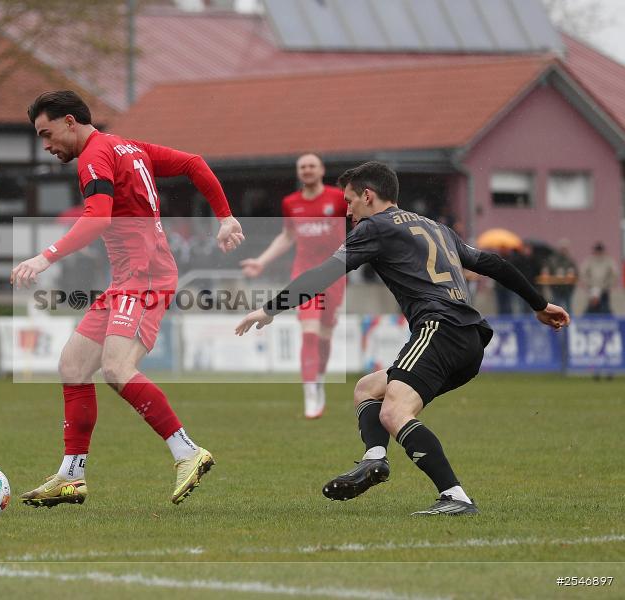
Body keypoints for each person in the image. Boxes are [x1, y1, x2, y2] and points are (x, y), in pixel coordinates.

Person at [235, 162, 569, 516]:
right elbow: (492, 263)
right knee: (368, 388)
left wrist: (270, 309)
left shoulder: (374, 227)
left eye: (350, 202)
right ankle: (374, 460)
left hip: (440, 328)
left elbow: (324, 273)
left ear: (368, 195)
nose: (346, 211)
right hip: (468, 338)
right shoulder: (435, 226)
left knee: (395, 411)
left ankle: (455, 496)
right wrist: (540, 304)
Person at [11, 90, 244, 507]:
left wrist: (45, 257)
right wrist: (224, 215)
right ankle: (72, 476)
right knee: (74, 365)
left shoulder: (94, 157)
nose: (46, 146)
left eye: (47, 134)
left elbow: (97, 217)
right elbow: (194, 164)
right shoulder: (128, 147)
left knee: (117, 368)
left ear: (70, 121)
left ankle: (187, 450)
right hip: (129, 278)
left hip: (145, 275)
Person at [239, 153, 346, 418]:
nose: (307, 170)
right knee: (309, 331)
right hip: (303, 274)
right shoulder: (291, 203)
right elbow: (287, 236)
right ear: (298, 173)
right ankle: (310, 391)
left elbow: (359, 226)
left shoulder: (338, 198)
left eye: (312, 166)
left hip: (334, 273)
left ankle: (318, 379)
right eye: (302, 167)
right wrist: (261, 261)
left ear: (321, 169)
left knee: (324, 335)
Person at [580, 242, 618, 315]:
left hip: (604, 289)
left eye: (600, 250)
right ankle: (586, 322)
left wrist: (609, 285)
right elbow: (583, 273)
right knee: (590, 308)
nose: (598, 252)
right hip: (592, 289)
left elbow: (614, 274)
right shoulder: (590, 260)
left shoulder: (608, 261)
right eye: (597, 250)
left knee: (605, 308)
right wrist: (588, 284)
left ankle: (608, 323)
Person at [539, 239, 577, 313]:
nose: (564, 250)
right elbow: (548, 270)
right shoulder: (553, 260)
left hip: (567, 288)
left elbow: (575, 272)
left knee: (568, 306)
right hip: (556, 288)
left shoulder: (570, 260)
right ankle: (557, 320)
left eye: (565, 249)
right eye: (563, 249)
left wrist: (571, 278)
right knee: (556, 305)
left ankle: (569, 321)